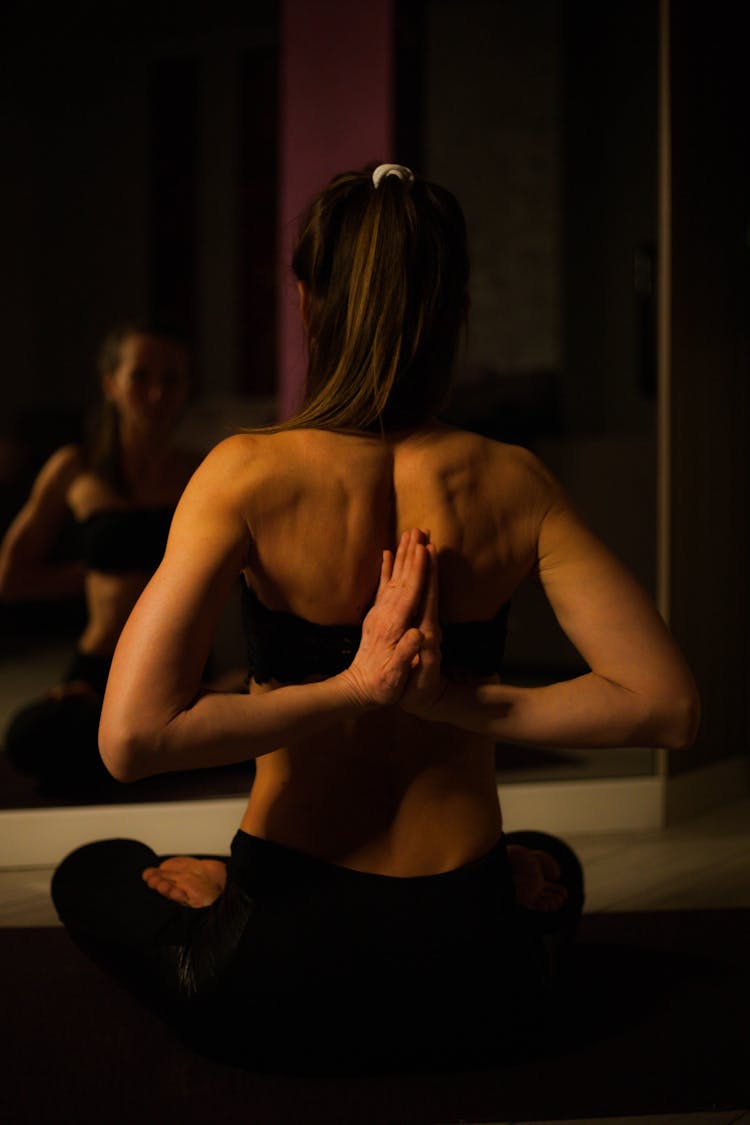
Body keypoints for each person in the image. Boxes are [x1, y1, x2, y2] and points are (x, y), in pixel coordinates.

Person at [51, 165, 699, 1073]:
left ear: (306, 298)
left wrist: (358, 687)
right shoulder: (513, 480)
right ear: (455, 307)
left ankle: (227, 888)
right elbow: (669, 706)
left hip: (273, 969)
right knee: (546, 858)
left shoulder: (244, 474)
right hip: (476, 974)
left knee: (94, 868)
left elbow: (129, 740)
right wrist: (451, 703)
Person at [0, 324, 198, 791]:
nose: (156, 393)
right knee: (30, 740)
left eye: (171, 380)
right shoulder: (75, 467)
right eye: (140, 377)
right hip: (100, 666)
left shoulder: (201, 471)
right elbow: (10, 577)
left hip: (180, 669)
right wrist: (96, 576)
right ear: (110, 383)